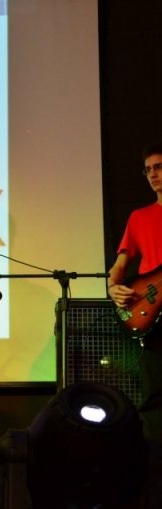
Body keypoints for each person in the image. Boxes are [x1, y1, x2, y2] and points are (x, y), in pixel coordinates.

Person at [107, 141, 162, 442]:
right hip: (152, 314)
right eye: (148, 169)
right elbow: (119, 265)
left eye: (159, 167)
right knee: (154, 394)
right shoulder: (139, 218)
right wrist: (113, 287)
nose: (153, 174)